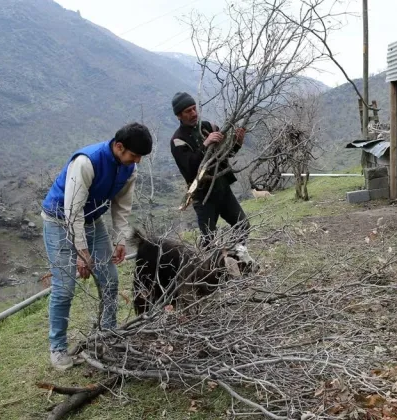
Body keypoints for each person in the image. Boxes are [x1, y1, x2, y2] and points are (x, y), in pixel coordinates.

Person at [41, 123, 152, 370]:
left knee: (110, 280)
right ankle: (57, 348)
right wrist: (82, 253)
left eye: (140, 157)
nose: (137, 161)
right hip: (60, 221)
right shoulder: (86, 162)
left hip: (92, 220)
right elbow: (72, 212)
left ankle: (107, 334)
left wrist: (120, 240)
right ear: (119, 146)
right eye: (134, 155)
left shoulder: (129, 167)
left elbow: (122, 206)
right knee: (65, 287)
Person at [170, 92, 249, 248]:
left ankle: (234, 259)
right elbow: (190, 168)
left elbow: (226, 154)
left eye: (194, 109)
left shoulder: (208, 127)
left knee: (242, 226)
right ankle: (209, 270)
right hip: (203, 196)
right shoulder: (177, 140)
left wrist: (237, 142)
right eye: (188, 111)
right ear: (179, 116)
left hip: (222, 189)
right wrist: (205, 144)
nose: (193, 113)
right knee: (209, 241)